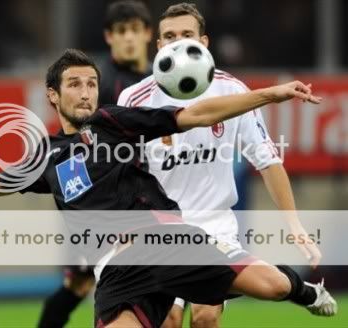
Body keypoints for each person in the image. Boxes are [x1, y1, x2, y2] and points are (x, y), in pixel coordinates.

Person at [0, 49, 336, 328]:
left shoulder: (114, 122)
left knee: (277, 288)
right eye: (74, 84)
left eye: (92, 83)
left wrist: (269, 95)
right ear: (52, 95)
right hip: (116, 268)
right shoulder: (45, 158)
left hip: (169, 240)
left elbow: (196, 114)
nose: (85, 92)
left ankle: (305, 291)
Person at [117, 3, 323, 327]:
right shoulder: (134, 98)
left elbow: (268, 161)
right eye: (169, 36)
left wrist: (294, 224)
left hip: (214, 226)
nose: (178, 42)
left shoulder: (233, 91)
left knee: (205, 317)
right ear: (158, 47)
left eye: (187, 34)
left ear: (204, 43)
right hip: (159, 229)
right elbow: (120, 172)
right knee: (167, 319)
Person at [37, 1, 153, 327]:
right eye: (120, 31)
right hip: (101, 202)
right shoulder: (102, 82)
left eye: (134, 30)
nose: (128, 38)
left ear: (147, 34)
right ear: (109, 37)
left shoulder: (163, 78)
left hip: (149, 195)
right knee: (79, 284)